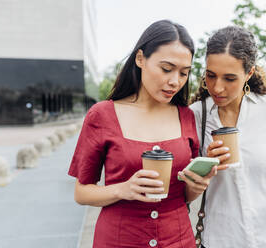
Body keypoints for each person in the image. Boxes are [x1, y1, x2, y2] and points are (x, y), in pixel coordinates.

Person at [68, 20, 215, 248]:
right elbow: (81, 192)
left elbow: (183, 195)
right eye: (166, 69)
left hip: (178, 240)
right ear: (140, 59)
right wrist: (123, 189)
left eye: (184, 73)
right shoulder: (102, 115)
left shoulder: (186, 116)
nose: (174, 81)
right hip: (118, 240)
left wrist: (196, 187)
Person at [190, 26, 266, 248]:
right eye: (210, 76)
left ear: (249, 73)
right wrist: (205, 168)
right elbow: (183, 188)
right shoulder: (194, 115)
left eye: (229, 78)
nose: (217, 87)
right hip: (222, 239)